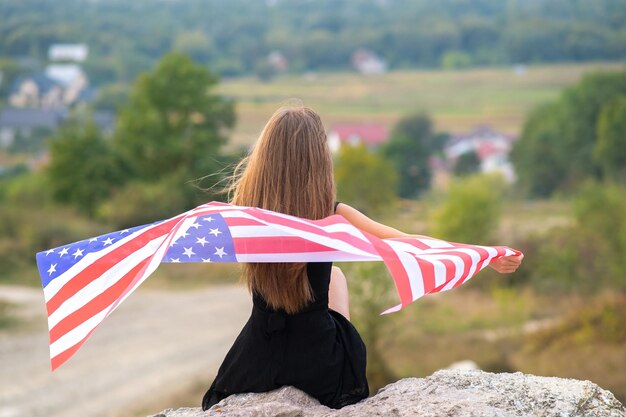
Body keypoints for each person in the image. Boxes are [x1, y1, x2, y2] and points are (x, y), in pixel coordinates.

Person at [201, 105, 523, 411]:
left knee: (330, 277)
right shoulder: (331, 213)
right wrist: (485, 255)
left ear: (265, 158)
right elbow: (406, 243)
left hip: (257, 357)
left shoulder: (245, 212)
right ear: (318, 160)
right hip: (318, 363)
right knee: (336, 277)